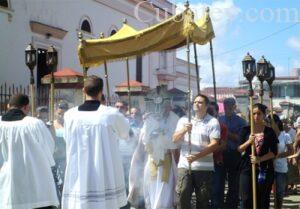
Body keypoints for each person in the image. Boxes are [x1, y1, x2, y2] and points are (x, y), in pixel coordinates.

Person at [62, 76, 130, 209]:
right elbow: (125, 134)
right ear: (101, 91)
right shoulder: (111, 114)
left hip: (79, 174)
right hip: (104, 173)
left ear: (83, 90)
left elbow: (67, 139)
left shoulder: (69, 115)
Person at [0, 94, 58, 209]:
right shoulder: (34, 124)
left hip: (10, 182)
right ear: (26, 107)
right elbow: (49, 148)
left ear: (8, 106)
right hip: (35, 182)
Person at [129, 100, 179, 209]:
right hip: (151, 161)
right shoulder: (149, 120)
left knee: (165, 197)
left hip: (167, 163)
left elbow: (176, 142)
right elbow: (143, 142)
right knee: (150, 194)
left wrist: (164, 135)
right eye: (160, 106)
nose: (163, 109)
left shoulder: (174, 119)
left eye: (166, 106)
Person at [173, 94, 220, 209]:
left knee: (203, 200)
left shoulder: (212, 121)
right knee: (182, 195)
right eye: (195, 102)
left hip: (204, 167)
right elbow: (174, 139)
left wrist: (196, 157)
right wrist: (185, 129)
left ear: (206, 105)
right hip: (185, 165)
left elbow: (214, 144)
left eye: (200, 102)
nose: (196, 104)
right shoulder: (184, 120)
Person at [238, 103, 278, 209]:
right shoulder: (245, 130)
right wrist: (249, 142)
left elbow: (274, 152)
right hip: (247, 167)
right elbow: (239, 149)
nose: (256, 116)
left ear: (264, 115)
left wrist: (259, 159)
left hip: (264, 168)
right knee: (246, 198)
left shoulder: (269, 131)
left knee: (263, 199)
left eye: (259, 114)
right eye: (253, 113)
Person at [219, 98, 246, 209]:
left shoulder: (241, 122)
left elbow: (240, 139)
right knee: (219, 182)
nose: (227, 110)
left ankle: (231, 205)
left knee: (233, 183)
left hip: (234, 154)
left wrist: (226, 133)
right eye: (225, 108)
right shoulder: (219, 119)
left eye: (230, 108)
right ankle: (220, 204)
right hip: (221, 154)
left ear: (234, 107)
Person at [267, 115, 293, 209]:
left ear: (277, 123)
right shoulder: (267, 135)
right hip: (268, 166)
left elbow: (291, 151)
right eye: (268, 122)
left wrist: (278, 156)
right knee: (266, 191)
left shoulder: (285, 135)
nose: (269, 125)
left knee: (279, 192)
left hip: (281, 168)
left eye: (271, 122)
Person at [208, 101, 228, 209]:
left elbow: (223, 146)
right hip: (203, 162)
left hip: (216, 162)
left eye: (211, 111)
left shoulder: (222, 126)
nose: (209, 113)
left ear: (216, 112)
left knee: (216, 191)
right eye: (208, 111)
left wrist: (208, 151)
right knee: (205, 191)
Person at [52, 101, 69, 205]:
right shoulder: (51, 125)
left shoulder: (69, 125)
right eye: (59, 113)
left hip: (66, 159)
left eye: (63, 114)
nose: (61, 116)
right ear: (55, 112)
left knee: (64, 183)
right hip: (54, 158)